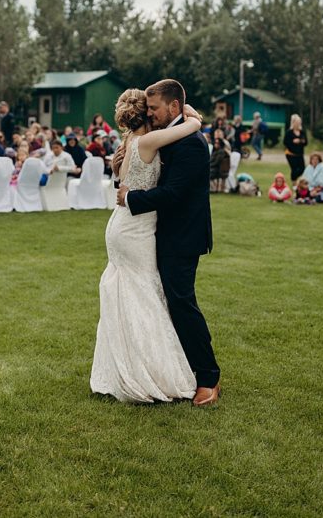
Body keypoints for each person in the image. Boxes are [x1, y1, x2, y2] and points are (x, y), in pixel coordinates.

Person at [113, 79, 220, 406]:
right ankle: (176, 367)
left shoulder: (191, 143)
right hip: (158, 233)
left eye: (155, 108)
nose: (151, 113)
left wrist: (130, 197)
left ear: (173, 107)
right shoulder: (173, 133)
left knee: (182, 303)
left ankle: (209, 378)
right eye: (147, 109)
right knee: (169, 303)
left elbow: (173, 194)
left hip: (182, 236)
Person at [283, 114, 307, 182]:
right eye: (297, 122)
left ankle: (296, 180)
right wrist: (293, 142)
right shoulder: (289, 132)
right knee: (294, 169)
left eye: (299, 122)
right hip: (290, 154)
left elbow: (306, 142)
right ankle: (294, 182)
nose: (298, 124)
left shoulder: (302, 132)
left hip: (300, 154)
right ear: (293, 123)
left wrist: (301, 141)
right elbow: (285, 142)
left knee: (302, 169)